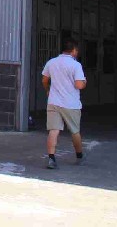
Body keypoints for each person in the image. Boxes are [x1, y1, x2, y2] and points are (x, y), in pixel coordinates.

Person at [42, 38, 87, 169]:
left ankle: (51, 159)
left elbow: (44, 80)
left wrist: (48, 90)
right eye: (77, 50)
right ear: (74, 50)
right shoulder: (75, 65)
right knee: (75, 131)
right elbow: (79, 85)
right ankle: (79, 156)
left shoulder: (52, 62)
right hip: (71, 104)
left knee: (53, 130)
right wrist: (85, 82)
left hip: (53, 102)